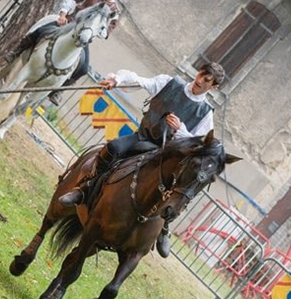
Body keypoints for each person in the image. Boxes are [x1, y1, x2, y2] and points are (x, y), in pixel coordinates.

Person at [58, 62, 226, 258]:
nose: (200, 80)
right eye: (201, 74)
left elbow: (201, 146)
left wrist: (181, 130)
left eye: (207, 80)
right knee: (113, 148)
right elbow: (138, 81)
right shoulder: (170, 83)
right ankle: (84, 188)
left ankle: (163, 229)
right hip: (142, 139)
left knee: (176, 188)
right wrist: (117, 80)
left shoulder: (206, 114)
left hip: (166, 157)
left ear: (213, 87)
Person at [5, 0, 127, 104]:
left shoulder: (115, 12)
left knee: (83, 69)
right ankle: (16, 52)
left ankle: (58, 90)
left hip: (83, 37)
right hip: (67, 24)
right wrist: (63, 14)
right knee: (41, 30)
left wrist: (95, 29)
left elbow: (106, 32)